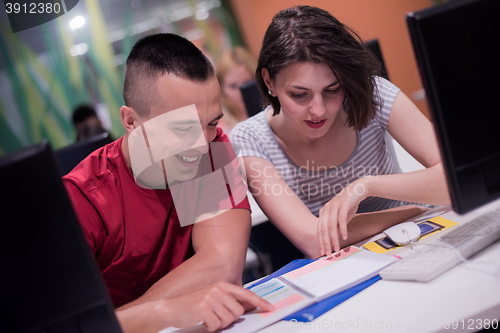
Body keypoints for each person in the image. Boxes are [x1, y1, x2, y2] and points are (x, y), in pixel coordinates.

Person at [63, 33, 272, 332]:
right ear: (132, 122)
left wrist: (127, 319)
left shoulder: (211, 148)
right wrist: (160, 312)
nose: (201, 146)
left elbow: (223, 269)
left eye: (211, 123)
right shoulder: (83, 199)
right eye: (181, 128)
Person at [230, 6, 451, 258]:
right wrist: (416, 210)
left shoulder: (374, 93)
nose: (318, 109)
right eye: (299, 94)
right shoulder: (251, 138)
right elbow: (314, 240)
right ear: (269, 81)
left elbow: (453, 179)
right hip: (347, 263)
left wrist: (366, 186)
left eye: (332, 89)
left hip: (421, 240)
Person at [216, 47, 257, 131]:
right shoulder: (218, 129)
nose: (241, 92)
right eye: (233, 86)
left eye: (247, 83)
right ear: (222, 89)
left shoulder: (274, 112)